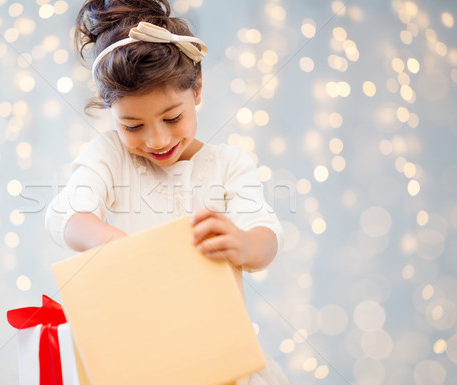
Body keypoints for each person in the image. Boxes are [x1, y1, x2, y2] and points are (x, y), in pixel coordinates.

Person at [45, 1, 288, 383]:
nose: (157, 139)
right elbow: (65, 216)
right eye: (132, 126)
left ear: (197, 89)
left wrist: (244, 244)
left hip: (220, 364)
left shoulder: (227, 165)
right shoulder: (110, 156)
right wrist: (118, 246)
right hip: (140, 362)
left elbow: (266, 237)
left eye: (172, 117)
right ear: (110, 114)